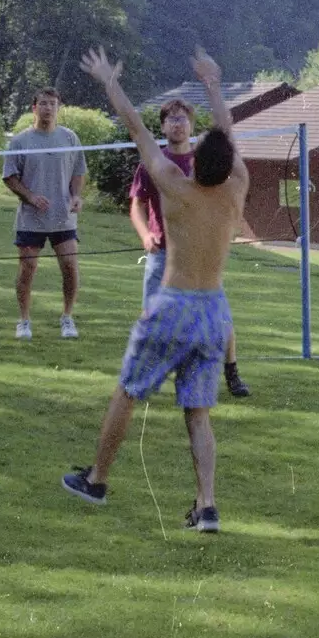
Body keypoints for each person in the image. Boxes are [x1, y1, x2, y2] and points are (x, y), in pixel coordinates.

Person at [62, 47, 248, 534]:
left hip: (173, 306)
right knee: (198, 413)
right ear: (228, 163)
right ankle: (206, 505)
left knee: (127, 392)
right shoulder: (237, 188)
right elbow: (227, 133)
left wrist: (108, 80)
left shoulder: (172, 184)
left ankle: (97, 480)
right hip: (214, 312)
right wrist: (213, 82)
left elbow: (135, 127)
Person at [130, 99, 251, 398]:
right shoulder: (155, 165)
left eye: (182, 119)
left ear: (192, 126)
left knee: (221, 319)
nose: (177, 124)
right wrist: (145, 234)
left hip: (199, 261)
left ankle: (232, 372)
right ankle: (149, 375)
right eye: (171, 119)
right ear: (162, 126)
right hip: (162, 256)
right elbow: (137, 205)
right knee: (152, 317)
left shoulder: (207, 161)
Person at [2, 88, 88, 339]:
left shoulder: (70, 138)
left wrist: (76, 196)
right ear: (34, 108)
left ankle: (67, 318)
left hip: (63, 217)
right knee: (27, 268)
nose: (48, 108)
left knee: (70, 266)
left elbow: (78, 172)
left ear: (59, 108)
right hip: (31, 219)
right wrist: (30, 197)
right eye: (43, 103)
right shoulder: (20, 141)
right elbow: (9, 177)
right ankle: (24, 321)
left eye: (52, 104)